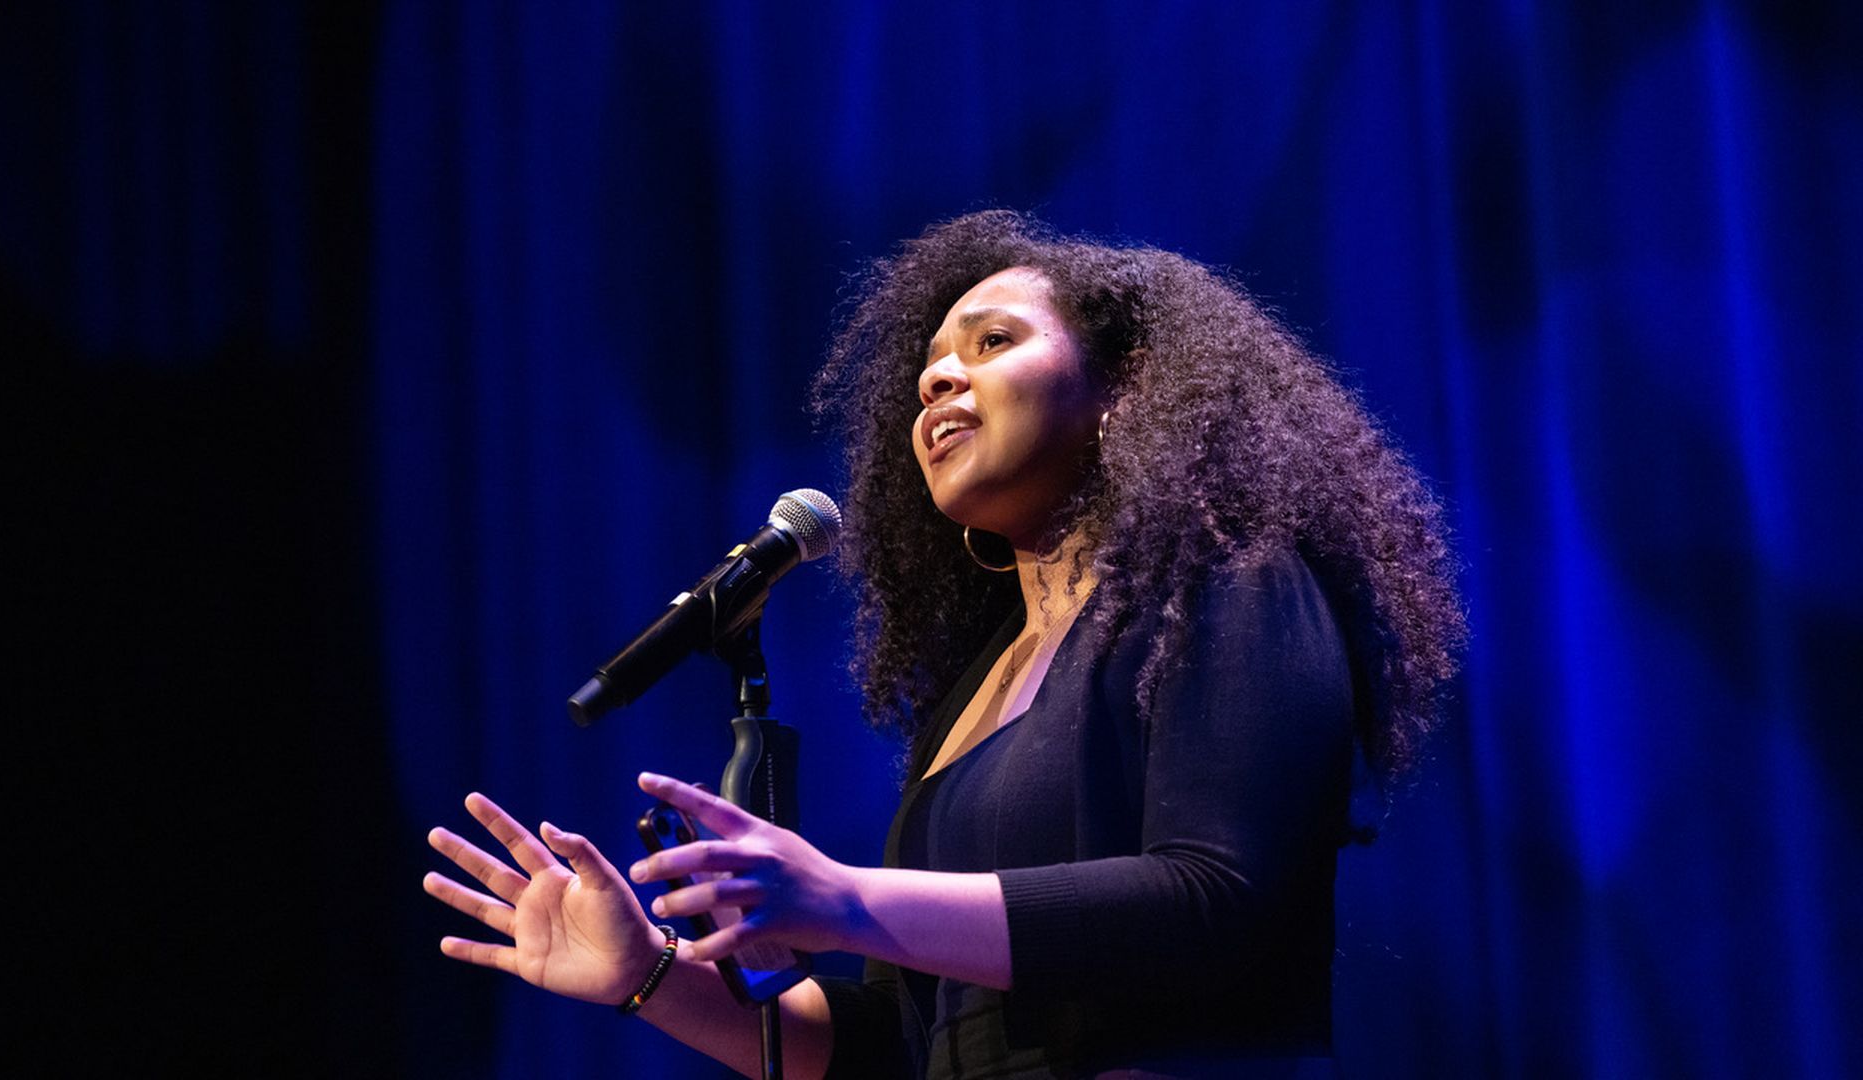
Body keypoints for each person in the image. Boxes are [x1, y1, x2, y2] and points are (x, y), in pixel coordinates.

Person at [422, 211, 1465, 1078]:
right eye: (928, 370)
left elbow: (1214, 901)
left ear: (1128, 385)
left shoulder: (1233, 583)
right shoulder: (971, 692)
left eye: (992, 343)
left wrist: (844, 899)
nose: (936, 384)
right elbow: (894, 1044)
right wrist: (652, 974)